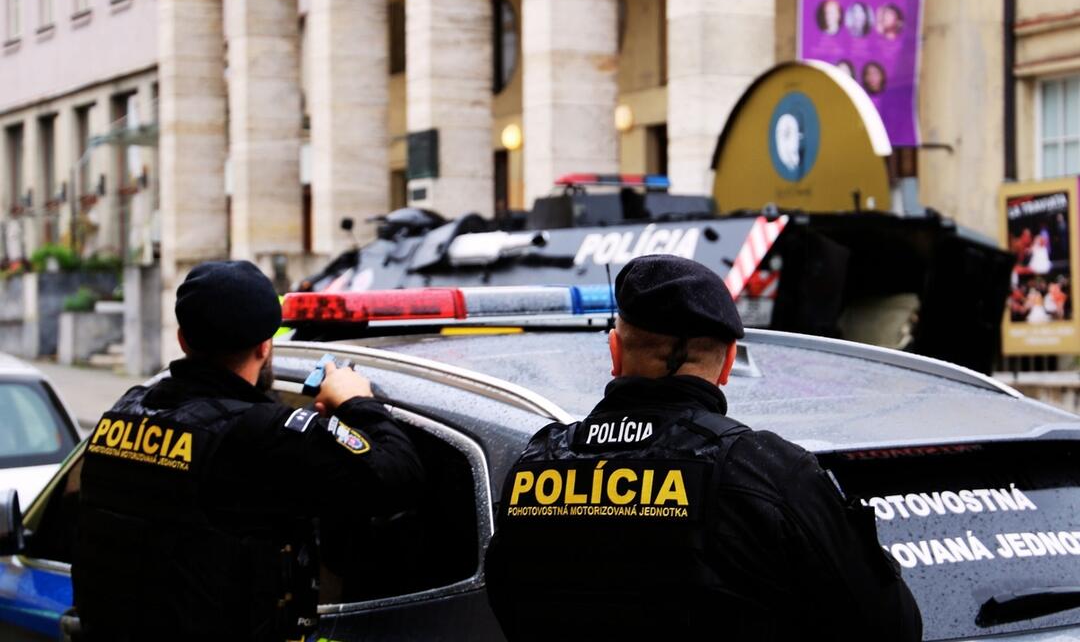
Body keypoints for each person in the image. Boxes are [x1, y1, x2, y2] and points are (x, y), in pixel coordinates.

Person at [484, 254, 922, 641]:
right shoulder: (769, 474)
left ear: (616, 353)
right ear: (729, 362)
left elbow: (504, 596)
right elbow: (890, 625)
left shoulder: (536, 466)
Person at [72, 261, 425, 641]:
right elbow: (398, 477)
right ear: (265, 344)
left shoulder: (125, 412)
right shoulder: (260, 436)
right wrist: (356, 402)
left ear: (182, 340)